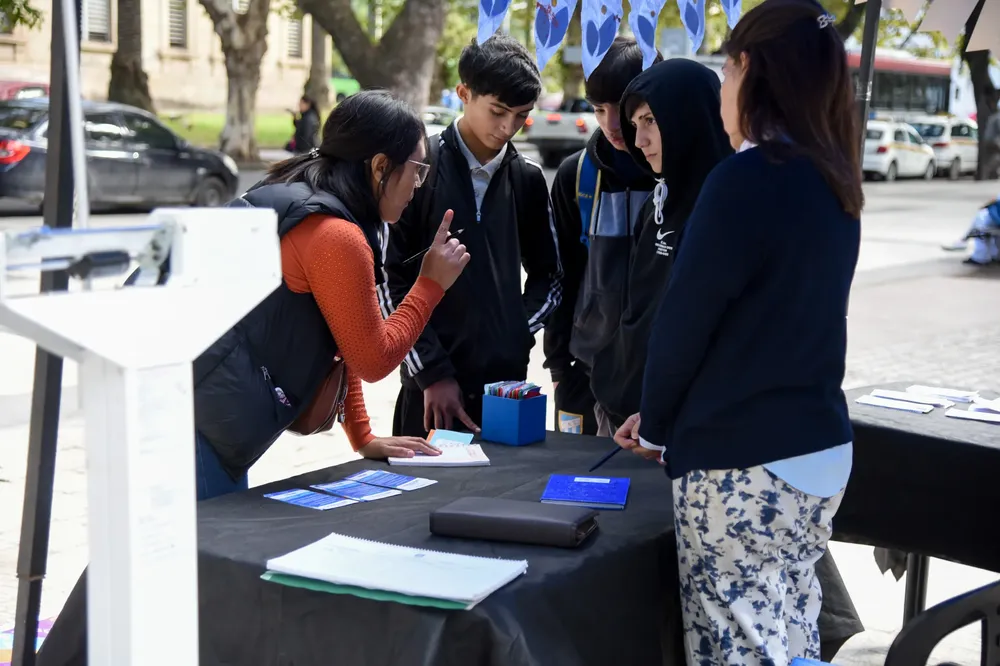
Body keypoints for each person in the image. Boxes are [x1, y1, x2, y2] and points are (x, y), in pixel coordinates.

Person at [615, 1, 863, 663]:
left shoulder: (744, 179)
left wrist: (658, 423)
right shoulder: (836, 181)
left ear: (747, 69)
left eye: (725, 71)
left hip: (742, 465)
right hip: (819, 450)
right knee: (792, 630)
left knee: (739, 648)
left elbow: (686, 323)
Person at [191, 90, 471, 500]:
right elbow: (372, 357)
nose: (417, 184)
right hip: (192, 420)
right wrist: (430, 285)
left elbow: (346, 333)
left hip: (194, 405)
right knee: (185, 557)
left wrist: (363, 438)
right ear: (379, 166)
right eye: (416, 169)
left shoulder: (305, 195)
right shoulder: (337, 235)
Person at [385, 34, 563, 436]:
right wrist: (430, 372)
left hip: (506, 392)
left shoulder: (528, 179)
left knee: (507, 497)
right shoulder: (416, 169)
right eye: (498, 110)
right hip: (429, 395)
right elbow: (387, 280)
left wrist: (517, 328)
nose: (508, 127)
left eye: (521, 115)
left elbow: (549, 277)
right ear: (463, 93)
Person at [586, 58, 733, 437]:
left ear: (691, 116)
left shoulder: (729, 209)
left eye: (650, 120)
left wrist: (663, 411)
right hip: (620, 408)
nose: (639, 141)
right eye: (635, 125)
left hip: (681, 425)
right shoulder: (657, 201)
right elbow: (637, 308)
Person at [543, 36, 662, 436]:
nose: (612, 125)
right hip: (585, 375)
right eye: (598, 109)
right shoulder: (575, 176)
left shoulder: (681, 177)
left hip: (658, 381)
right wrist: (559, 368)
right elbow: (561, 275)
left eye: (624, 109)